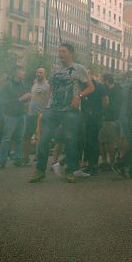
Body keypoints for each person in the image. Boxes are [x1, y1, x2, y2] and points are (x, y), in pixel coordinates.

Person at [30, 43, 95, 184]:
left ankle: (70, 171)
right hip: (53, 108)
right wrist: (44, 109)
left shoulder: (79, 69)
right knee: (44, 139)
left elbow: (91, 87)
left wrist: (79, 96)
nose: (60, 54)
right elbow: (51, 89)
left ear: (70, 53)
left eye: (63, 51)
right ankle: (40, 170)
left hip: (70, 111)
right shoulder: (55, 69)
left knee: (71, 141)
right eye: (59, 52)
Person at [0, 66, 29, 169]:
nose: (24, 73)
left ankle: (18, 160)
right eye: (22, 71)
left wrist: (27, 99)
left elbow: (24, 98)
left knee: (19, 138)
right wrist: (20, 99)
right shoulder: (7, 85)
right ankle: (2, 161)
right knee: (7, 138)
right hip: (10, 115)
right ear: (15, 72)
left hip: (21, 114)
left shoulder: (23, 84)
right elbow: (3, 101)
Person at [20, 67, 50, 166]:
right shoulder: (35, 84)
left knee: (39, 137)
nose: (38, 74)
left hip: (40, 114)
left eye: (41, 72)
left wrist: (45, 112)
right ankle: (25, 158)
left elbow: (49, 100)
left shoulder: (47, 85)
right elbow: (33, 98)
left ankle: (39, 157)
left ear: (45, 74)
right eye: (37, 72)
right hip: (30, 114)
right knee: (26, 136)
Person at [99, 74, 122, 170]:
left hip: (108, 118)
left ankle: (108, 162)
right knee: (110, 141)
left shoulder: (106, 90)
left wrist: (103, 113)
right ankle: (110, 162)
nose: (101, 82)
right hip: (116, 118)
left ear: (107, 81)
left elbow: (106, 103)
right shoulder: (119, 88)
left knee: (105, 142)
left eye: (102, 80)